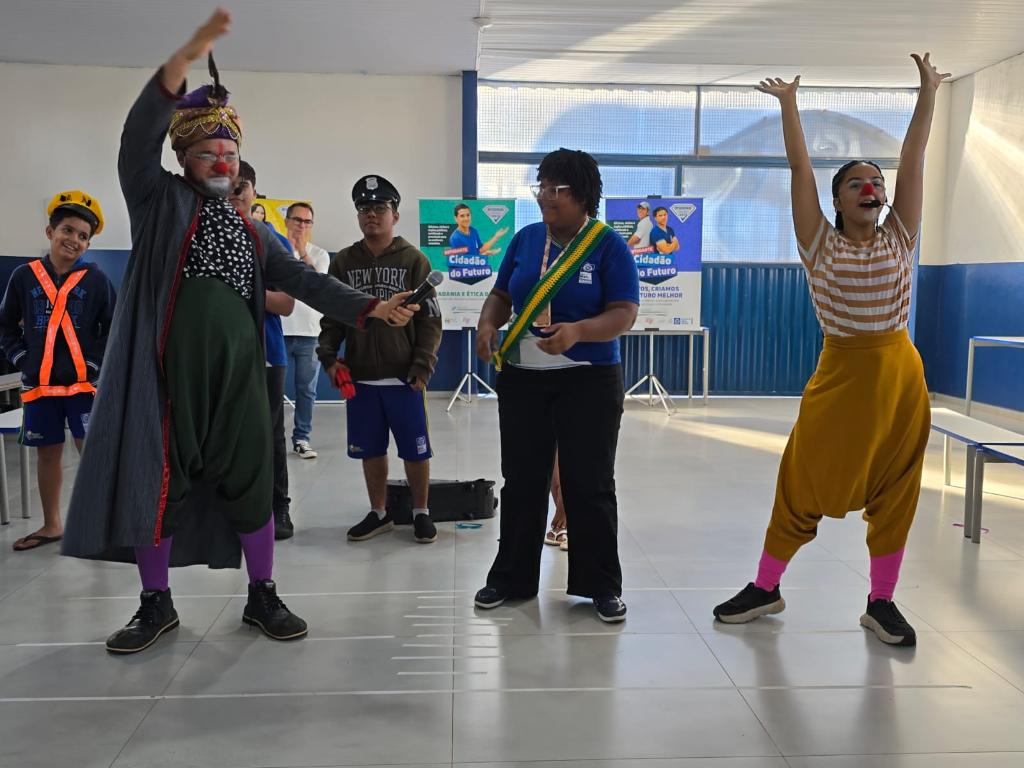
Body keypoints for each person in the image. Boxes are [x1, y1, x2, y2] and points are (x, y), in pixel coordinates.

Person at [60, 9, 417, 655]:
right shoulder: (157, 199)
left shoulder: (254, 228)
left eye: (231, 153)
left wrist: (368, 310)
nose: (222, 160)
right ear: (185, 158)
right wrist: (187, 55)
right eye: (209, 152)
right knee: (158, 480)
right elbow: (136, 135)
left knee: (253, 479)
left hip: (241, 379)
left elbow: (306, 283)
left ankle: (262, 594)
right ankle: (155, 603)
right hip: (169, 378)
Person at [713, 54, 950, 647]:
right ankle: (766, 587)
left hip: (900, 378)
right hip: (841, 374)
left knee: (898, 487)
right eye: (856, 183)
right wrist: (790, 106)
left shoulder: (901, 235)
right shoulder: (818, 243)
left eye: (877, 182)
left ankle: (882, 601)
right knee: (802, 479)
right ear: (838, 200)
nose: (872, 188)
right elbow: (798, 165)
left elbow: (915, 156)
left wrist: (927, 93)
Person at [472, 148, 639, 623]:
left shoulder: (608, 246)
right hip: (523, 380)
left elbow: (624, 313)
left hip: (588, 381)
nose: (546, 196)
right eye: (541, 186)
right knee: (522, 480)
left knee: (590, 484)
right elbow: (502, 294)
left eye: (556, 189)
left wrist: (578, 332)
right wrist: (488, 325)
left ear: (584, 195)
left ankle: (601, 586)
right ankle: (510, 578)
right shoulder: (526, 239)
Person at [318, 175, 443, 544]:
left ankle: (421, 511)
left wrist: (423, 366)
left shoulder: (414, 260)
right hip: (360, 377)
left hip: (404, 377)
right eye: (364, 209)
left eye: (380, 208)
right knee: (369, 449)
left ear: (396, 214)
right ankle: (379, 512)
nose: (371, 214)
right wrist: (330, 359)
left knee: (415, 449)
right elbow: (332, 318)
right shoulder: (343, 262)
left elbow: (431, 321)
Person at [0, 190, 116, 552]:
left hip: (83, 385)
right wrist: (22, 360)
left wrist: (94, 364)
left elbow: (111, 329)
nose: (75, 240)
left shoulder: (97, 280)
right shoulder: (24, 276)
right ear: (49, 232)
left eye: (84, 236)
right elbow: (5, 327)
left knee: (92, 451)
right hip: (39, 386)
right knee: (47, 452)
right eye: (68, 230)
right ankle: (52, 525)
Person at [230, 161, 296, 540]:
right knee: (225, 435)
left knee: (270, 435)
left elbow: (285, 304)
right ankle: (231, 511)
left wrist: (240, 293)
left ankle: (278, 508)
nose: (238, 192)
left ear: (255, 192)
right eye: (231, 185)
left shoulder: (273, 241)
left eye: (245, 186)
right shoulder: (205, 234)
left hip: (267, 353)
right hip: (220, 354)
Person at [282, 201, 330, 460]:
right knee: (269, 388)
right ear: (287, 221)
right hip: (277, 330)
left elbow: (317, 286)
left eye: (307, 221)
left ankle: (301, 438)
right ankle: (271, 439)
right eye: (297, 220)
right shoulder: (275, 250)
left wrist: (302, 252)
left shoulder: (320, 254)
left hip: (310, 332)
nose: (301, 225)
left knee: (306, 390)